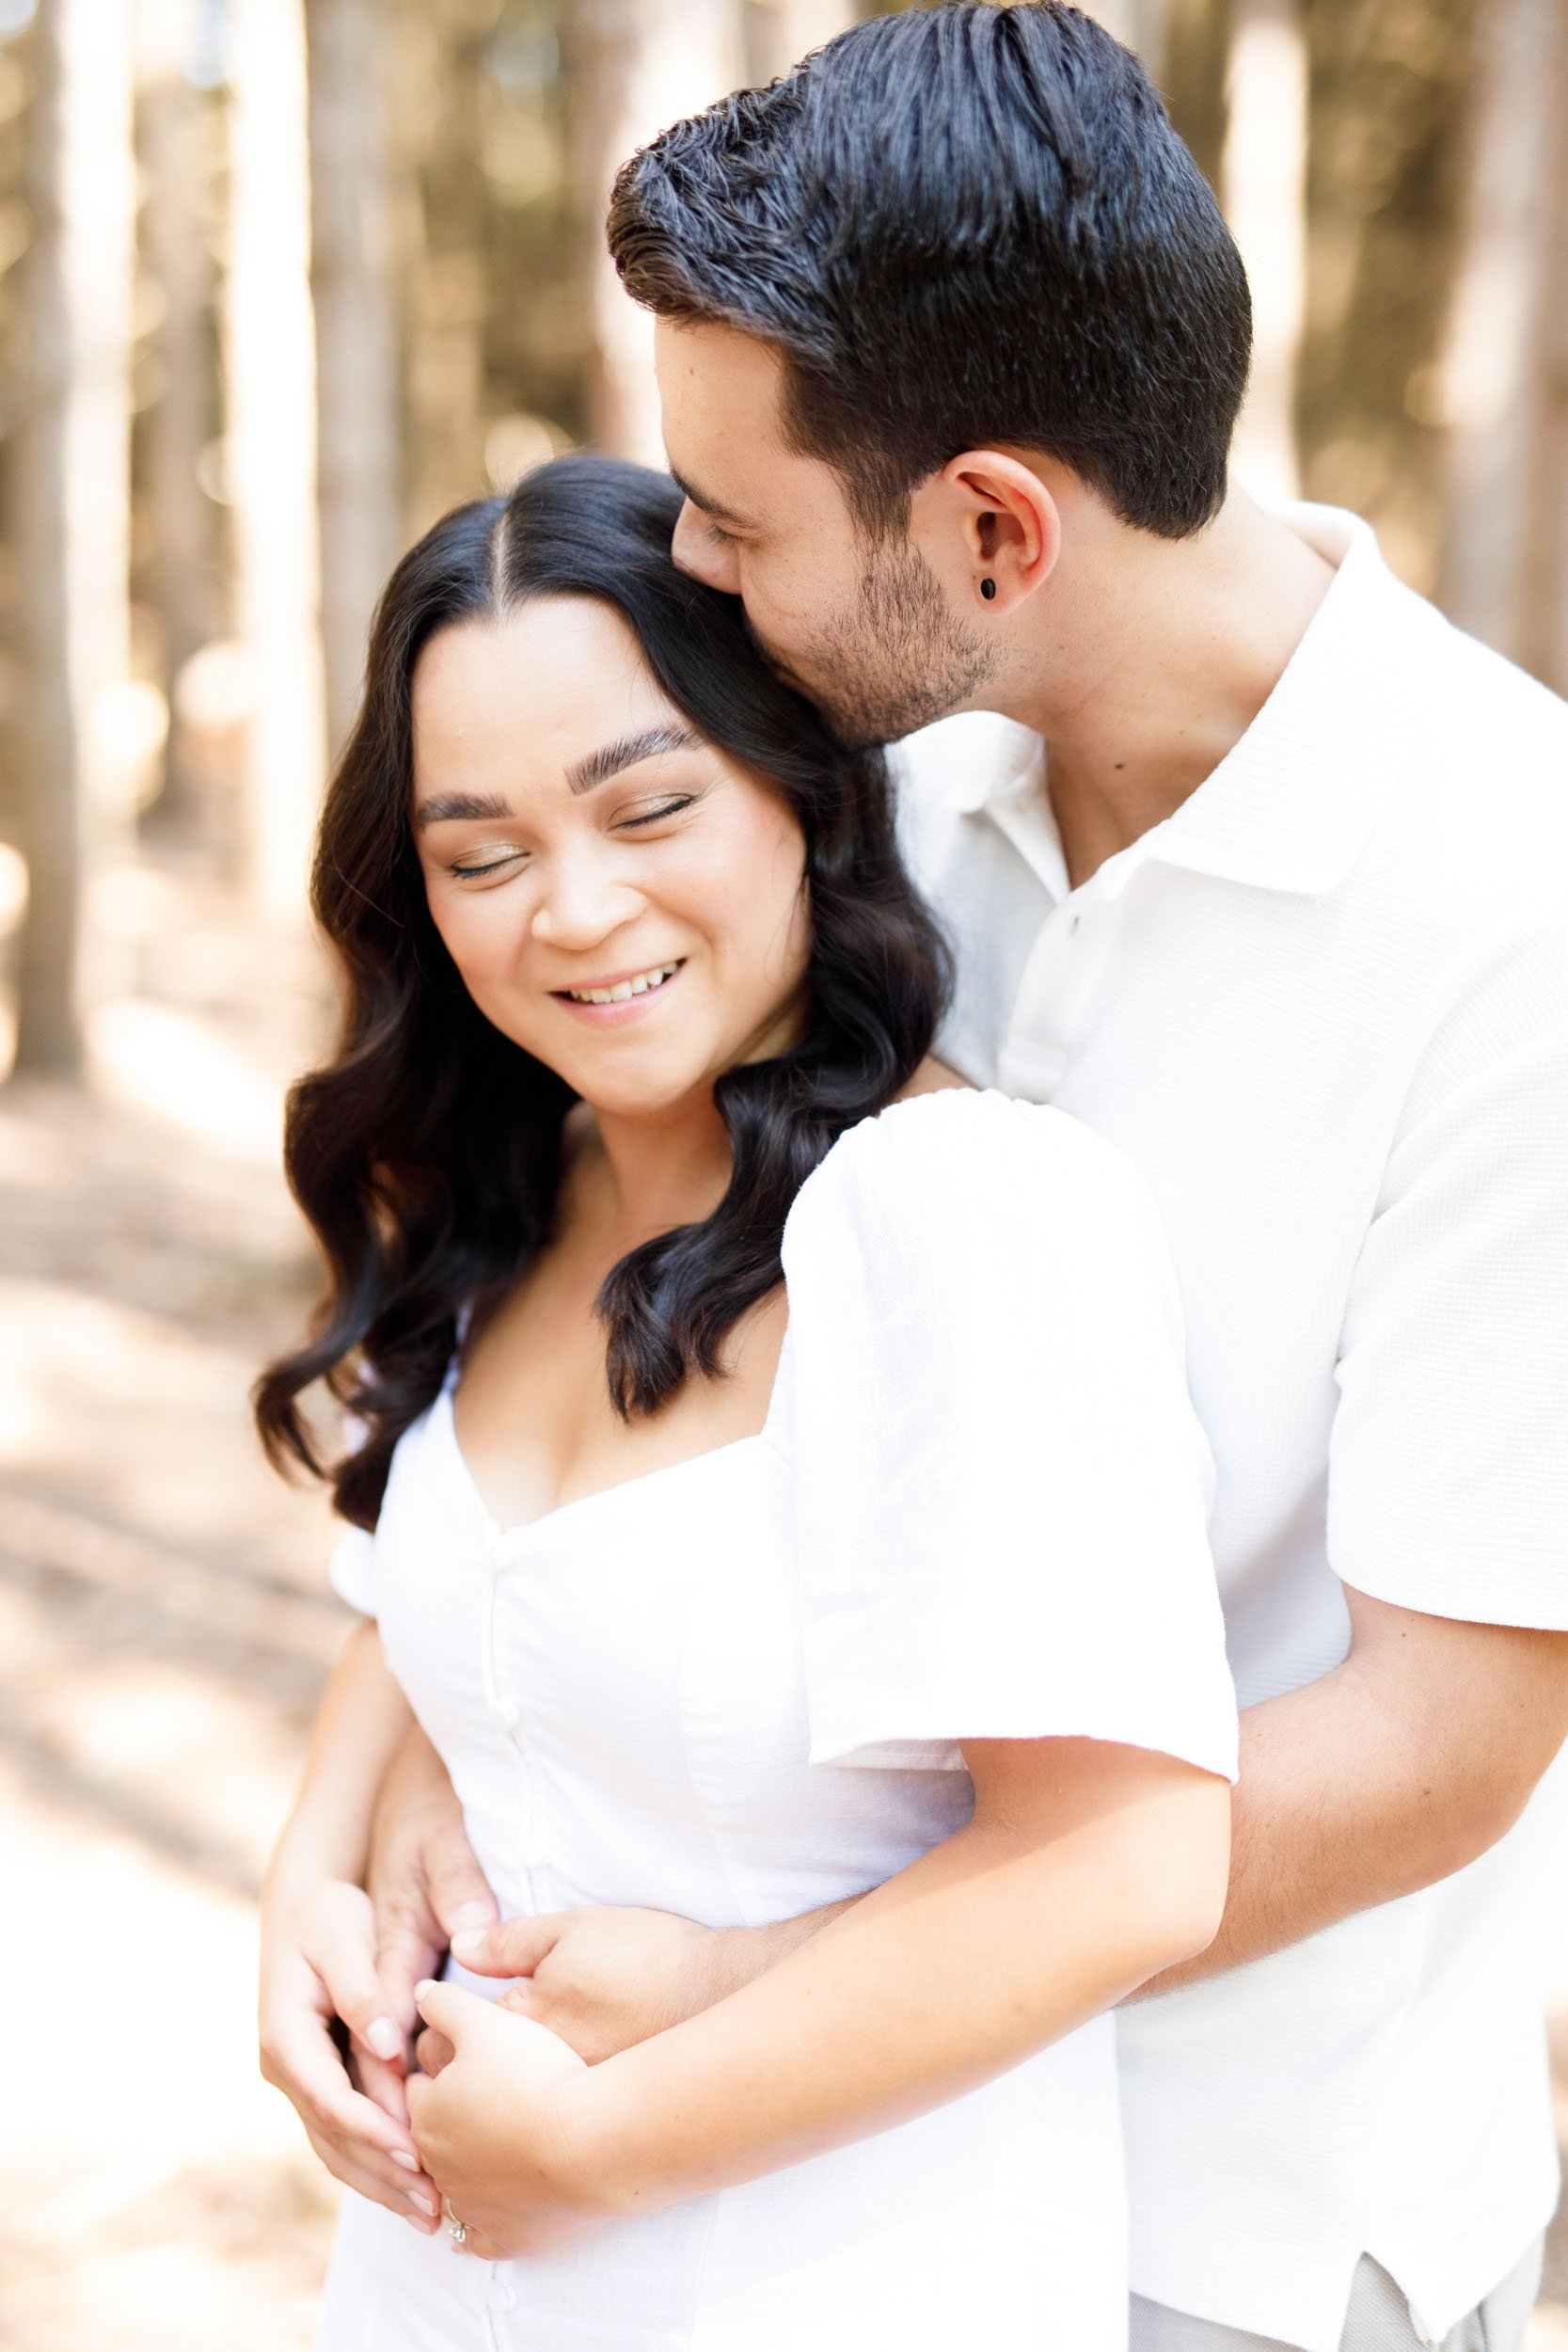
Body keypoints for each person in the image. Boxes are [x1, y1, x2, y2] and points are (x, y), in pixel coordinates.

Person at [261, 8, 1568, 2352]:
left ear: (990, 527)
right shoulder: (886, 792)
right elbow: (574, 1359)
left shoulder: (1515, 914)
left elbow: (1447, 1737)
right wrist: (394, 1770)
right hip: (723, 2165)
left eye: (737, 528)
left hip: (1238, 2217)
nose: (686, 563)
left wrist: (747, 1994)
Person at [255, 452, 1237, 2349]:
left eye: (649, 805)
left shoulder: (958, 1208)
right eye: (482, 853)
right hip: (440, 2288)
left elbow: (1126, 1861)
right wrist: (307, 1871)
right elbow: (445, 1601)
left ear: (798, 782)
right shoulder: (518, 1192)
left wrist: (605, 2142)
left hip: (834, 2275)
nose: (572, 908)